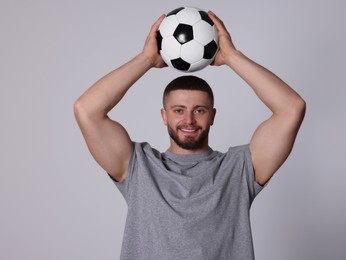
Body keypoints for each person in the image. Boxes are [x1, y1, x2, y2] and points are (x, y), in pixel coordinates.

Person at [74, 11, 305, 260]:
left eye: (199, 110)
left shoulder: (238, 168)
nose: (189, 120)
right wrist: (146, 59)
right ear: (164, 116)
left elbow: (292, 108)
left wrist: (232, 57)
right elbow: (86, 110)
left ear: (213, 115)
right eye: (178, 111)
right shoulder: (138, 166)